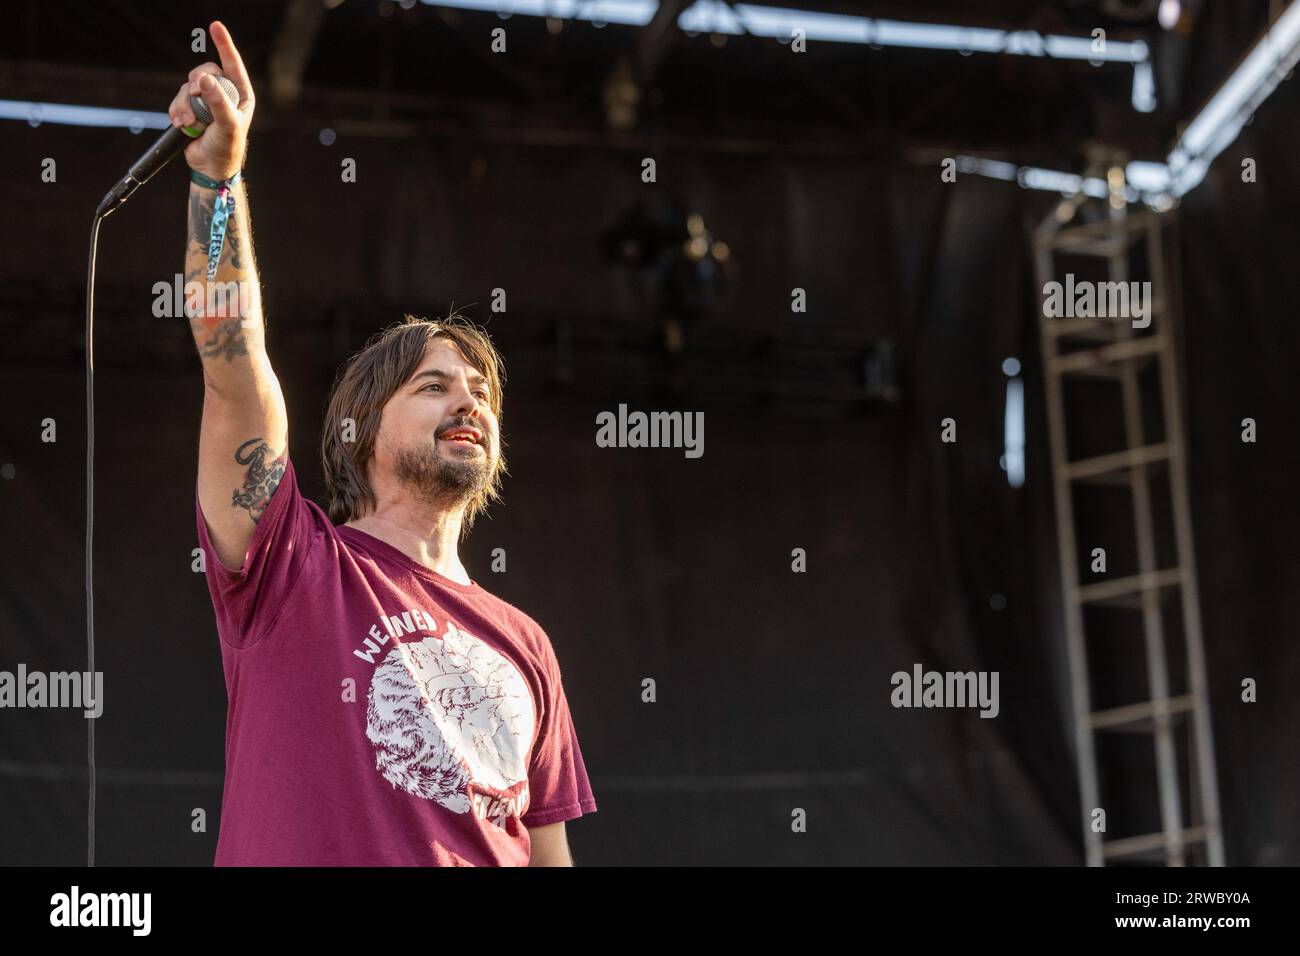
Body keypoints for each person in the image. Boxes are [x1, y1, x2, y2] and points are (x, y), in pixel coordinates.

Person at [173, 20, 596, 866]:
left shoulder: (526, 642)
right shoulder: (292, 561)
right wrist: (218, 182)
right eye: (433, 385)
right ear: (357, 430)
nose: (468, 398)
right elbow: (233, 359)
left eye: (480, 390)